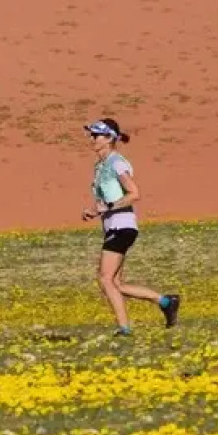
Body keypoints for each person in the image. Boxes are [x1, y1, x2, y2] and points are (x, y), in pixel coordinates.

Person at [81, 118, 179, 335]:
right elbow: (108, 199)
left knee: (105, 279)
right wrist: (94, 210)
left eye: (95, 135)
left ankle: (124, 329)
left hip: (122, 227)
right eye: (91, 134)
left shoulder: (116, 163)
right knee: (116, 283)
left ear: (108, 139)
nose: (91, 139)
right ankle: (165, 302)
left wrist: (105, 207)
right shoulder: (100, 166)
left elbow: (134, 193)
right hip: (114, 227)